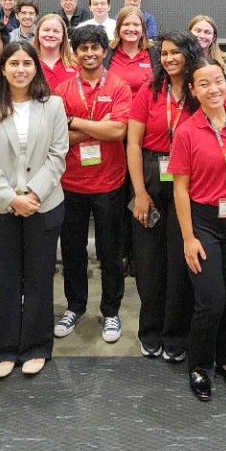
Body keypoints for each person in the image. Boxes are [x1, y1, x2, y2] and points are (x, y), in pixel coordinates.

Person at [0, 42, 68, 379]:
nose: (20, 69)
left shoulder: (53, 105)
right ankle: (5, 349)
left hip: (44, 203)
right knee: (5, 278)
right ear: (3, 68)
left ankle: (37, 346)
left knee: (39, 276)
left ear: (36, 68)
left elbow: (58, 155)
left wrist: (33, 195)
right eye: (13, 63)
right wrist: (12, 198)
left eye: (27, 63)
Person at [169, 57, 226, 402]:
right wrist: (188, 238)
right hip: (202, 222)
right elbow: (180, 189)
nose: (213, 89)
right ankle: (199, 363)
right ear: (193, 90)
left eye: (218, 81)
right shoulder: (187, 131)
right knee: (211, 300)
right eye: (203, 84)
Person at [127, 31, 204, 360]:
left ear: (189, 54)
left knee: (180, 261)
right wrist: (140, 193)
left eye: (176, 52)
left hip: (190, 180)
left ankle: (176, 333)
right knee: (148, 261)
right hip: (150, 175)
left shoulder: (199, 89)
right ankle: (150, 330)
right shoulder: (150, 90)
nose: (169, 58)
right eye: (165, 53)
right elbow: (133, 144)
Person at [54, 25, 133, 344]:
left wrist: (74, 122)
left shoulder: (119, 86)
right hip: (70, 182)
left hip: (110, 182)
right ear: (74, 53)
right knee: (72, 250)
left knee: (110, 252)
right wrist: (100, 126)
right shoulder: (61, 89)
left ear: (104, 51)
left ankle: (111, 311)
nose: (89, 53)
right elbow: (58, 137)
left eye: (94, 47)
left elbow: (119, 132)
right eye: (83, 48)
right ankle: (75, 306)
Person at [33, 13, 77, 89]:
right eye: (46, 30)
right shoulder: (28, 63)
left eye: (56, 31)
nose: (50, 35)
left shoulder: (76, 63)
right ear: (38, 33)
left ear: (63, 36)